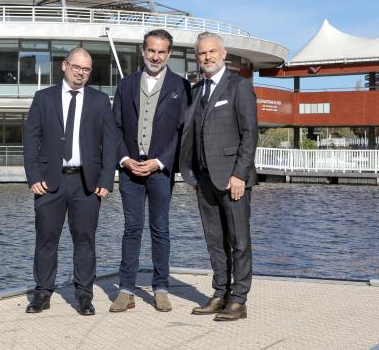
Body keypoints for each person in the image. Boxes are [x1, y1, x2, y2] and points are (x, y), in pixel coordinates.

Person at [23, 47, 116, 316]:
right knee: (45, 240)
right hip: (49, 182)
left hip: (86, 183)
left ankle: (84, 295)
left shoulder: (100, 100)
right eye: (77, 67)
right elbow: (31, 140)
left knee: (85, 241)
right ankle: (42, 293)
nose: (81, 73)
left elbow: (109, 143)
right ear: (65, 66)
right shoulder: (43, 98)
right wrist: (34, 176)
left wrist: (106, 179)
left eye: (86, 69)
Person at [110, 29, 191, 313]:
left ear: (168, 54)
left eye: (161, 52)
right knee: (131, 229)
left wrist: (160, 161)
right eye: (151, 51)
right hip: (130, 170)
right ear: (143, 52)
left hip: (160, 170)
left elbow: (182, 132)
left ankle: (161, 288)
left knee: (161, 229)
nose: (155, 56)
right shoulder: (126, 85)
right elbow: (115, 127)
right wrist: (123, 159)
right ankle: (126, 289)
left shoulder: (181, 86)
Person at [179, 31, 258, 321]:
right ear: (197, 58)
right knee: (215, 240)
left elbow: (250, 135)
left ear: (223, 54)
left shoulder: (239, 87)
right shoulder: (197, 90)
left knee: (239, 240)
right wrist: (193, 175)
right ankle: (220, 292)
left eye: (212, 51)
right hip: (204, 180)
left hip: (232, 180)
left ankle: (239, 299)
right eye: (202, 53)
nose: (207, 57)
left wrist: (240, 174)